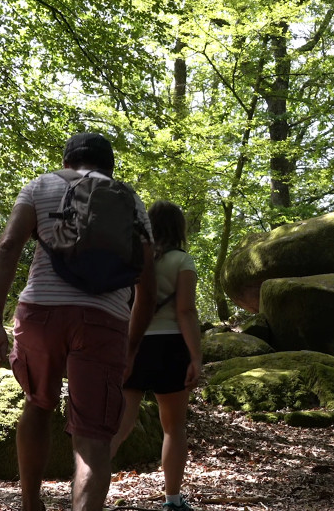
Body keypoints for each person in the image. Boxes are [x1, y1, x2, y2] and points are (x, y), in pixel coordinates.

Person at [0, 133, 156, 511]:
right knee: (93, 437)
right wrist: (133, 344)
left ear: (67, 160)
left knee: (37, 404)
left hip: (41, 311)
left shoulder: (40, 185)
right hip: (105, 319)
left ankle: (30, 503)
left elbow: (9, 246)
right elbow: (148, 283)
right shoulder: (130, 201)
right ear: (110, 166)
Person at [110, 200, 202, 511]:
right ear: (179, 229)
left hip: (133, 343)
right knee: (173, 427)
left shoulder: (133, 260)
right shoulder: (183, 262)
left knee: (118, 425)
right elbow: (186, 311)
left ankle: (85, 488)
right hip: (170, 347)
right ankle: (173, 502)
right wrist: (196, 357)